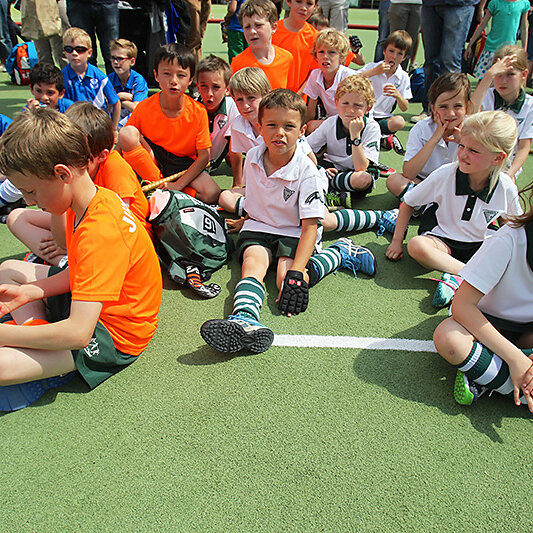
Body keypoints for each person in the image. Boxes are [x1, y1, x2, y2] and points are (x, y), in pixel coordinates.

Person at [0, 108, 162, 412]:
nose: (29, 202)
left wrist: (6, 335)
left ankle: (46, 355)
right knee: (9, 270)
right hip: (91, 304)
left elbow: (78, 333)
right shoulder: (87, 200)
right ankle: (41, 337)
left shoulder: (100, 230)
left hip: (113, 333)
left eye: (31, 191)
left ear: (63, 174)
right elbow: (79, 270)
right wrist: (33, 291)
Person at [200, 89, 376, 355]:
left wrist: (297, 271)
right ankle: (244, 318)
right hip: (259, 227)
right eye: (271, 125)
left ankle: (340, 252)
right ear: (260, 127)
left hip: (294, 231)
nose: (279, 133)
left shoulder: (309, 172)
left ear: (302, 131)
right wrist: (245, 220)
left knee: (288, 280)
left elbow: (310, 227)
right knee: (252, 264)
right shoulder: (253, 157)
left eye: (289, 126)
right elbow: (258, 199)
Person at [385, 111, 522, 308]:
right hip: (442, 241)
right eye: (462, 146)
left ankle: (456, 278)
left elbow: (514, 227)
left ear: (498, 158)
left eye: (473, 151)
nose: (463, 154)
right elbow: (408, 202)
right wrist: (397, 242)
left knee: (513, 259)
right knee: (416, 245)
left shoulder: (506, 186)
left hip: (480, 245)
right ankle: (470, 276)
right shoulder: (445, 174)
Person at [7, 102, 152, 266]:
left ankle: (66, 261)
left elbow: (120, 225)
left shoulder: (114, 166)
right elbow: (63, 236)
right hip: (86, 227)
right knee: (16, 217)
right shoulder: (72, 177)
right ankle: (64, 259)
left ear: (101, 155)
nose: (72, 163)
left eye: (80, 157)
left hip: (122, 242)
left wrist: (69, 242)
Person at [433, 181, 533, 412]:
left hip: (527, 331)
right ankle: (512, 379)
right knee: (449, 339)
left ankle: (488, 374)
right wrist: (516, 359)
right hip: (483, 322)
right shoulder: (511, 238)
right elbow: (462, 306)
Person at [119, 43, 220, 204]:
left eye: (181, 75)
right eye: (166, 74)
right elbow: (122, 144)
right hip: (154, 159)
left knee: (212, 193)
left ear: (190, 79)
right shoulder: (145, 107)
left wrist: (178, 185)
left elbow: (204, 157)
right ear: (156, 75)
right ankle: (157, 183)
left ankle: (164, 191)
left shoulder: (198, 111)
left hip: (183, 164)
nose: (173, 81)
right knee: (126, 133)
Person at [386, 72, 471, 199]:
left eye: (458, 106)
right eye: (443, 107)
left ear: (467, 107)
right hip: (425, 183)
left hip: (458, 187)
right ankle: (433, 204)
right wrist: (434, 139)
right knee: (394, 181)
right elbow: (409, 173)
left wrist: (463, 144)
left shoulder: (474, 129)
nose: (451, 113)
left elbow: (479, 174)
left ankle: (426, 205)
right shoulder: (421, 128)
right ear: (433, 108)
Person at [307, 75, 382, 204]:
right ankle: (334, 191)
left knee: (363, 179)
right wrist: (319, 168)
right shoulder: (330, 123)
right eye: (345, 103)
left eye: (357, 105)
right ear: (336, 102)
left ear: (368, 108)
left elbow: (360, 167)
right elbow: (305, 148)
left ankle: (328, 187)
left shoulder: (372, 127)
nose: (350, 110)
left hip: (355, 174)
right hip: (331, 168)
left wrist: (355, 135)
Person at [471, 45, 532, 181]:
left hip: (507, 166)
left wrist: (510, 174)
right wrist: (488, 76)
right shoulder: (485, 96)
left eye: (510, 74)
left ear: (524, 75)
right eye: (498, 74)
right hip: (478, 159)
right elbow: (471, 113)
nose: (503, 81)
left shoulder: (530, 106)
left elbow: (524, 147)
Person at [412, 0, 478, 123]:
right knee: (430, 62)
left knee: (450, 62)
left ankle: (452, 114)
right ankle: (429, 110)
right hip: (430, 4)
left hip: (459, 4)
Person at [358, 30, 412, 154]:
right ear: (384, 51)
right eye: (391, 51)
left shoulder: (403, 77)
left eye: (399, 54)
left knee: (399, 122)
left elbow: (405, 107)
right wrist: (374, 72)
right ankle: (382, 137)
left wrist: (398, 95)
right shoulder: (373, 67)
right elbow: (352, 79)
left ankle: (378, 135)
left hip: (384, 117)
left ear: (404, 57)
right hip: (365, 114)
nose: (394, 56)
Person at [61, 27, 121, 132]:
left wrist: (114, 129)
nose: (74, 53)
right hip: (73, 127)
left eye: (80, 50)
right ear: (64, 52)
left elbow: (116, 103)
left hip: (98, 126)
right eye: (69, 49)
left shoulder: (100, 77)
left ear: (89, 52)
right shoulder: (61, 77)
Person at [231, 0, 295, 90]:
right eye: (247, 27)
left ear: (273, 27)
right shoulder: (238, 63)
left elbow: (291, 92)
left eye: (258, 25)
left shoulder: (287, 58)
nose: (252, 31)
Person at [303, 28, 354, 134]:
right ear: (316, 56)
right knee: (309, 126)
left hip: (353, 122)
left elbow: (355, 111)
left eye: (332, 52)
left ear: (341, 57)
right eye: (321, 52)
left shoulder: (348, 77)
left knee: (313, 126)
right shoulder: (315, 75)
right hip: (334, 122)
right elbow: (310, 111)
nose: (325, 57)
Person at [195, 54, 239, 171]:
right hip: (191, 165)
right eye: (204, 86)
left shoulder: (234, 107)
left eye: (216, 87)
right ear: (197, 87)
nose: (209, 93)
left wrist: (237, 181)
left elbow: (236, 149)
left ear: (227, 89)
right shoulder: (191, 109)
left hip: (210, 165)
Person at [464, 0, 529, 79]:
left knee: (505, 80)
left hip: (509, 51)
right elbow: (482, 25)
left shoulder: (524, 4)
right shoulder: (495, 3)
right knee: (484, 79)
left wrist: (524, 50)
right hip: (491, 49)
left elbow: (524, 28)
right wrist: (470, 44)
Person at [271, 0, 318, 93]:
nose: (303, 8)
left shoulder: (315, 38)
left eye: (309, 3)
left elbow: (313, 73)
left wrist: (298, 95)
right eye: (298, 1)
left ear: (315, 6)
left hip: (298, 98)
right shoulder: (272, 31)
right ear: (288, 2)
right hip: (271, 96)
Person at [66, 0, 119, 74]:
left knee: (111, 53)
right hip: (77, 5)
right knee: (83, 53)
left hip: (107, 3)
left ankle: (114, 81)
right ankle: (87, 81)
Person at [108, 39, 149, 130]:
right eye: (113, 58)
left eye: (120, 58)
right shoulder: (109, 79)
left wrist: (116, 100)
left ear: (132, 61)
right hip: (116, 115)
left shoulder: (138, 80)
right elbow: (105, 106)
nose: (115, 62)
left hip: (133, 119)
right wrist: (119, 96)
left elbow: (136, 109)